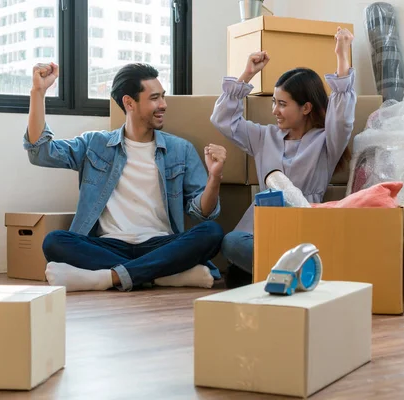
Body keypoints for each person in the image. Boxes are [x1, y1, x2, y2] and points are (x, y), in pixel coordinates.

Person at [24, 62, 226, 292]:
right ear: (129, 103)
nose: (163, 105)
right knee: (55, 241)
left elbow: (204, 213)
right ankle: (160, 275)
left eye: (163, 97)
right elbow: (41, 153)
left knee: (212, 233)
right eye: (154, 98)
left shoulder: (181, 149)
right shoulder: (95, 144)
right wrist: (37, 92)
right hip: (108, 245)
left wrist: (215, 177)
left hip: (159, 245)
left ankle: (107, 278)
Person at [210, 27, 356, 287]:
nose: (274, 110)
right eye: (273, 102)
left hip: (305, 228)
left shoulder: (326, 142)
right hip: (261, 230)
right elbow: (222, 120)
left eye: (282, 104)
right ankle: (294, 274)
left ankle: (271, 273)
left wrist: (342, 56)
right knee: (231, 242)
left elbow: (343, 119)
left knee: (304, 250)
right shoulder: (264, 137)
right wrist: (247, 74)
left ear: (306, 107)